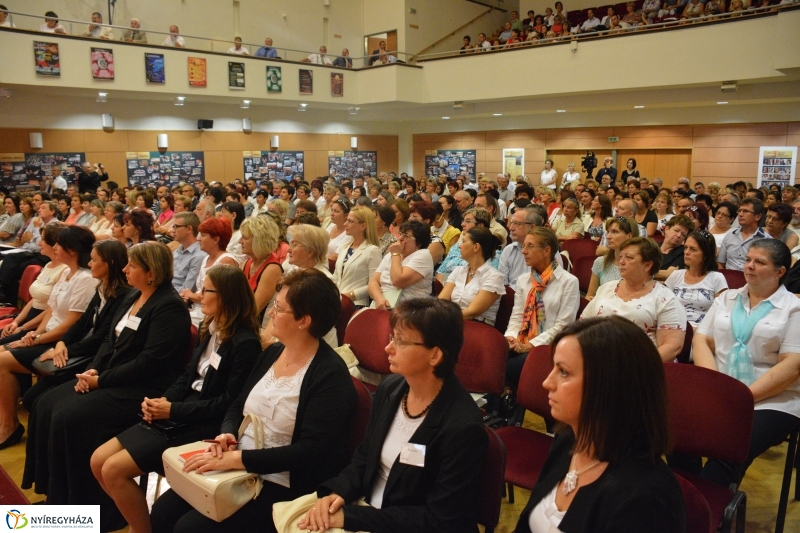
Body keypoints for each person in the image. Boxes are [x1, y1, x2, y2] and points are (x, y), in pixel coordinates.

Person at [151, 269, 356, 533]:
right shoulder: (273, 352)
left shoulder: (329, 376)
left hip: (281, 483)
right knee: (163, 511)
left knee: (189, 528)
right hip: (240, 466)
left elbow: (310, 452)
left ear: (303, 321)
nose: (270, 313)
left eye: (279, 309)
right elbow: (237, 404)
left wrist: (238, 459)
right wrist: (227, 434)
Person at [22, 242, 191, 529]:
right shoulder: (132, 296)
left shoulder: (168, 307)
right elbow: (108, 342)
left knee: (70, 418)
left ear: (151, 273)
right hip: (111, 377)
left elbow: (149, 363)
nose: (124, 270)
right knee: (45, 403)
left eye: (132, 266)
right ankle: (60, 500)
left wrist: (100, 380)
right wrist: (94, 368)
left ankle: (94, 511)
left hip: (140, 389)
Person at [91, 265, 260, 533]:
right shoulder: (212, 326)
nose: (199, 295)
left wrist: (173, 410)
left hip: (201, 424)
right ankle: (138, 522)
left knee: (112, 469)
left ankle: (141, 529)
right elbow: (187, 375)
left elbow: (227, 404)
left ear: (226, 296)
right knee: (98, 460)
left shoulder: (245, 342)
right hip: (180, 412)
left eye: (206, 290)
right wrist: (161, 402)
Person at [298, 298, 488, 533]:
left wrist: (351, 517)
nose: (389, 347)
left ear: (435, 355)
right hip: (367, 508)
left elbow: (438, 519)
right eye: (392, 337)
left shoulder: (462, 427)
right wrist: (339, 492)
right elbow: (365, 456)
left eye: (400, 341)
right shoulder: (391, 388)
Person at [514, 317, 686, 533]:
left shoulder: (646, 498)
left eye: (564, 372)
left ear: (609, 386)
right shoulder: (570, 440)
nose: (546, 382)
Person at [689, 239, 800, 488]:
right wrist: (716, 386)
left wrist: (742, 398)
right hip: (720, 388)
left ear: (780, 271)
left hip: (771, 399)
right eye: (748, 259)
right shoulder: (726, 298)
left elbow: (792, 365)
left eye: (759, 262)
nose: (749, 266)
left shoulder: (794, 309)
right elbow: (701, 340)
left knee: (729, 450)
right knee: (675, 436)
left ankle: (707, 514)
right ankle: (686, 497)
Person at [0, 226, 98, 448]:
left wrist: (38, 340)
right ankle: (5, 419)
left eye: (58, 244)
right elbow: (52, 310)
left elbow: (71, 325)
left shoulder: (85, 279)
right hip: (47, 334)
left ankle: (10, 425)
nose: (54, 247)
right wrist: (35, 332)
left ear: (71, 250)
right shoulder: (65, 272)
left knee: (1, 362)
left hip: (61, 341)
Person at [20, 240, 131, 409]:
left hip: (95, 357)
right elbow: (82, 323)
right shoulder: (102, 287)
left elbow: (101, 337)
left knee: (38, 401)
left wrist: (66, 350)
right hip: (80, 348)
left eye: (94, 260)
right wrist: (62, 342)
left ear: (110, 263)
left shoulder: (123, 295)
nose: (89, 263)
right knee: (32, 398)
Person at [582, 237, 687, 362]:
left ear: (647, 265)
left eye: (629, 257)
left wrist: (635, 367)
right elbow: (582, 326)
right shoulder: (606, 288)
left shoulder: (665, 298)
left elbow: (672, 347)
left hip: (640, 368)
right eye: (620, 256)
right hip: (596, 362)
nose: (621, 261)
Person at [504, 227, 579, 391]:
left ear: (546, 250)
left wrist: (531, 345)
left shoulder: (568, 282)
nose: (523, 251)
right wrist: (510, 338)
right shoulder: (524, 280)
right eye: (523, 246)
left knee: (505, 367)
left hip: (548, 347)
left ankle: (512, 407)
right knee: (494, 357)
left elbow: (563, 326)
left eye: (530, 246)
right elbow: (517, 316)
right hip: (521, 342)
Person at [0, 224, 67, 343]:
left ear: (54, 243)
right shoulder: (47, 265)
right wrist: (16, 322)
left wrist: (22, 328)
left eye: (43, 239)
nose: (39, 243)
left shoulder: (64, 270)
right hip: (29, 319)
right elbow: (33, 300)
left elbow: (51, 309)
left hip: (40, 324)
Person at [439, 227, 505, 326]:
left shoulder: (494, 276)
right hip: (453, 322)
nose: (459, 246)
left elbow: (472, 313)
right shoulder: (458, 270)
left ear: (476, 247)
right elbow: (441, 301)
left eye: (463, 242)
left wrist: (442, 319)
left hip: (478, 327)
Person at [180, 218, 238, 327]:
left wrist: (190, 295)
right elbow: (202, 290)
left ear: (216, 239)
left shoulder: (226, 261)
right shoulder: (206, 258)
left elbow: (220, 298)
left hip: (211, 314)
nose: (198, 239)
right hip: (199, 308)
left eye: (202, 235)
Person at [665, 231, 728, 329]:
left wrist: (697, 331)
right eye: (686, 248)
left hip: (702, 331)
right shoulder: (675, 275)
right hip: (674, 329)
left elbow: (722, 313)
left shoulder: (717, 278)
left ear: (705, 254)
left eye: (693, 249)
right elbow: (662, 307)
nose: (686, 252)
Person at [369, 220, 434, 310]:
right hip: (382, 304)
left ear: (419, 243)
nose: (400, 238)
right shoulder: (391, 254)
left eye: (406, 236)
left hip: (410, 310)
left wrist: (396, 254)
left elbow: (397, 281)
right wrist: (379, 299)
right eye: (400, 234)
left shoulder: (423, 255)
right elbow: (373, 282)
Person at [333, 207, 382, 307]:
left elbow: (374, 284)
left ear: (363, 226)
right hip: (337, 301)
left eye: (350, 221)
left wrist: (349, 295)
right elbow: (336, 276)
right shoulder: (344, 247)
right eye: (347, 220)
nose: (345, 224)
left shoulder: (372, 251)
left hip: (355, 304)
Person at [239, 217, 282, 322]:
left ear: (258, 241)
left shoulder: (272, 269)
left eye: (244, 238)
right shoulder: (246, 263)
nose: (240, 241)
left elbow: (254, 310)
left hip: (256, 327)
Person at [586, 217, 637, 301]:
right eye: (608, 232)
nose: (608, 237)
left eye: (615, 232)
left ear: (629, 236)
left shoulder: (640, 266)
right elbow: (589, 296)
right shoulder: (600, 262)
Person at [718, 197, 769, 271]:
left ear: (758, 216)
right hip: (728, 277)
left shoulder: (766, 240)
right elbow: (720, 263)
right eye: (739, 211)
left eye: (745, 211)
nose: (740, 214)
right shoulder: (730, 236)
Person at [171, 212, 207, 293]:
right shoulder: (176, 252)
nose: (172, 230)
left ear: (189, 229)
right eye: (173, 227)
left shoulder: (199, 256)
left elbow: (187, 290)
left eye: (176, 227)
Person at [654, 215, 693, 281]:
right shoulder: (653, 247)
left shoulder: (683, 252)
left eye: (683, 234)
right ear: (666, 229)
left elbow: (670, 274)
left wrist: (644, 273)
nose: (678, 235)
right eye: (676, 230)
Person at [218, 201, 247, 266]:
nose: (220, 214)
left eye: (223, 211)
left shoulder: (240, 236)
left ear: (233, 215)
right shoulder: (223, 232)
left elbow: (238, 262)